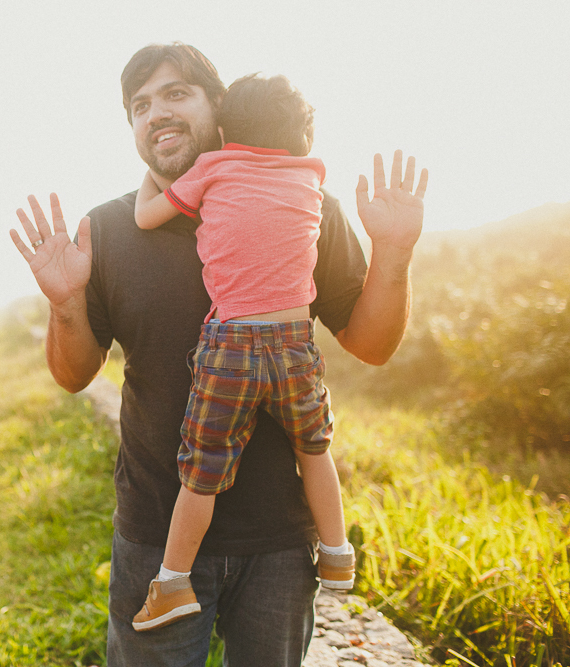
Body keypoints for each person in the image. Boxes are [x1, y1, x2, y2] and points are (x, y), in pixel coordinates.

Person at [10, 43, 426, 666]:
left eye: (176, 93)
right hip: (156, 537)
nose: (156, 114)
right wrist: (65, 302)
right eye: (140, 105)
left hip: (280, 544)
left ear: (220, 106)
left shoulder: (308, 207)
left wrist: (392, 253)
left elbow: (371, 345)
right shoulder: (111, 229)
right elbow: (74, 376)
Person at [128, 72, 407, 632]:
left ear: (226, 128)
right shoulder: (311, 177)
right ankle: (336, 554)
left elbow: (145, 216)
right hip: (294, 343)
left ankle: (173, 582)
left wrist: (150, 175)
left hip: (231, 344)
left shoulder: (214, 168)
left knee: (202, 472)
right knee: (314, 450)